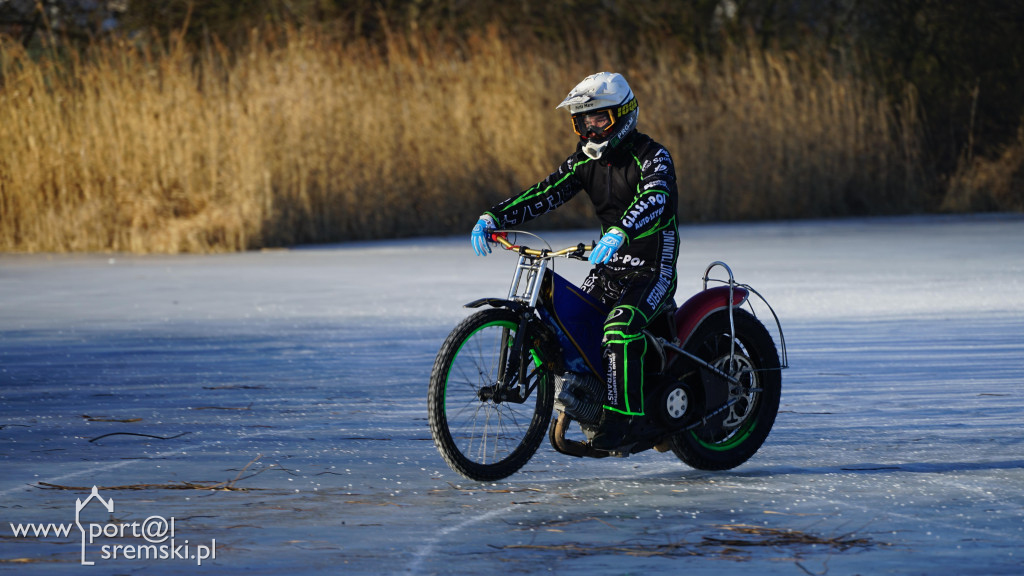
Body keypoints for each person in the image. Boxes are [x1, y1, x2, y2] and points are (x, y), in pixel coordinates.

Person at [469, 72, 679, 450]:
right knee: (573, 330)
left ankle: (625, 420)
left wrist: (621, 231)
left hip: (652, 269)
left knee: (618, 329)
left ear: (623, 115)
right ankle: (589, 403)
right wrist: (494, 217)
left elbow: (657, 198)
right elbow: (546, 192)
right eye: (583, 121)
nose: (591, 129)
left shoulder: (652, 156)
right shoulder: (583, 161)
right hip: (610, 268)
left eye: (599, 119)